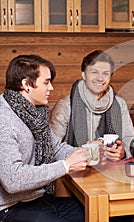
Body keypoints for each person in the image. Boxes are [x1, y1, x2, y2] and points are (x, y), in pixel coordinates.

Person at [0, 54, 89, 221]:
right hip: (9, 208)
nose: (51, 88)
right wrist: (65, 166)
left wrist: (90, 152)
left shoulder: (36, 113)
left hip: (36, 199)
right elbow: (13, 180)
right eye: (46, 82)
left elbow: (56, 147)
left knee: (89, 212)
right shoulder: (4, 120)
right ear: (26, 84)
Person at [50, 50, 134, 161]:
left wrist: (123, 152)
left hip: (111, 169)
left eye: (105, 73)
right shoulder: (66, 105)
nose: (100, 78)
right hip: (74, 170)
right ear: (84, 75)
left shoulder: (119, 104)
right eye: (94, 72)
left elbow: (129, 138)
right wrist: (85, 153)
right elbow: (52, 148)